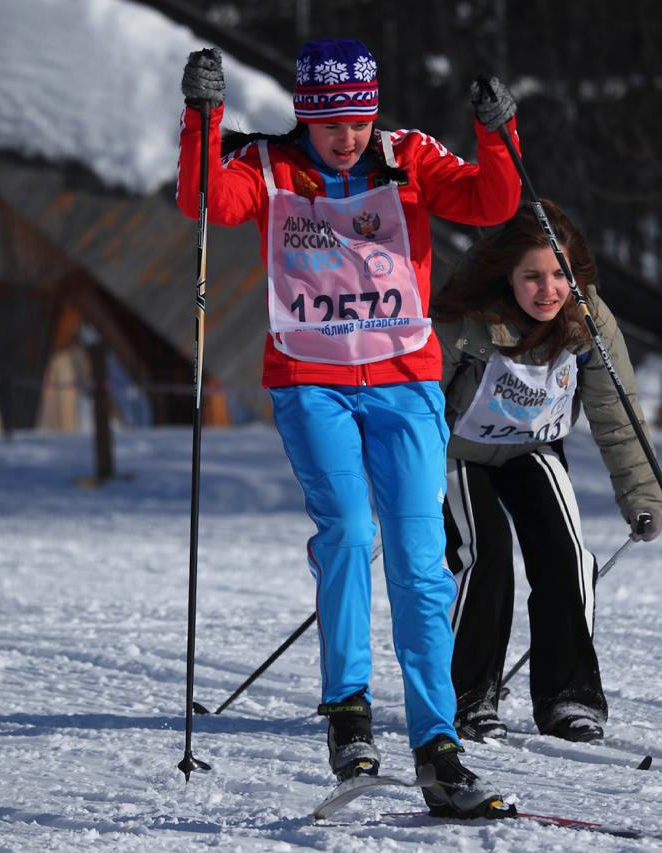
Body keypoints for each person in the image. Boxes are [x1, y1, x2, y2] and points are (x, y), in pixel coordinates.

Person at [176, 42, 521, 817]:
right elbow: (206, 201)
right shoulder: (268, 164)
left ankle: (438, 744)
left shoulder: (407, 155)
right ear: (305, 112)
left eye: (359, 120)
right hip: (311, 381)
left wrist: (498, 132)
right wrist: (204, 119)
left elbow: (490, 201)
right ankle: (348, 715)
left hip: (404, 382)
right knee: (345, 532)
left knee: (420, 558)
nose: (348, 137)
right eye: (331, 123)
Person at [434, 201, 662, 744]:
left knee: (567, 559)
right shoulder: (463, 317)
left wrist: (642, 496)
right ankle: (470, 697)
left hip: (531, 449)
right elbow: (416, 401)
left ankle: (570, 698)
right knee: (485, 556)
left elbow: (618, 413)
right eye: (532, 276)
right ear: (505, 274)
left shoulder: (589, 322)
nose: (548, 289)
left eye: (560, 274)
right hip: (455, 454)